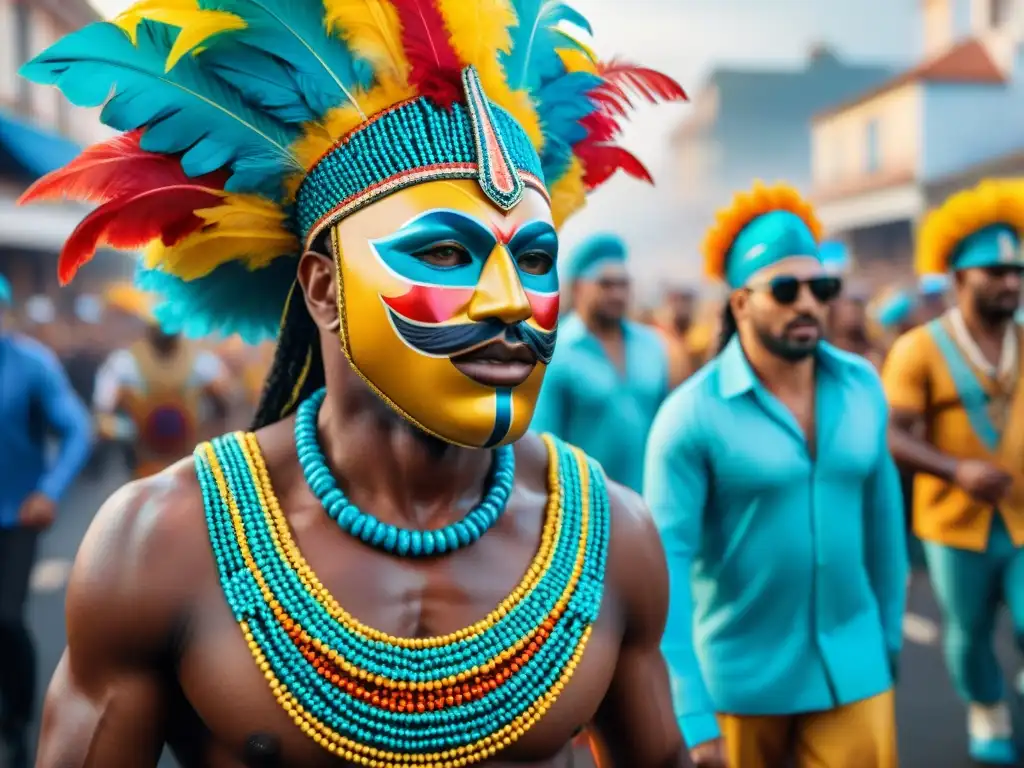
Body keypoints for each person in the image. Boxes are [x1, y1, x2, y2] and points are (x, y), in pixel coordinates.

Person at [20, 1, 691, 766]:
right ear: (324, 288)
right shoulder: (162, 542)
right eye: (444, 253)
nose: (510, 300)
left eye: (534, 260)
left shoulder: (612, 538)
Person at [646, 182, 907, 768]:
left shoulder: (864, 385)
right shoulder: (690, 416)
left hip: (854, 668)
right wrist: (690, 709)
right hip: (737, 687)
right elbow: (667, 568)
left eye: (822, 288)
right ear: (740, 303)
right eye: (785, 290)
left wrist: (887, 639)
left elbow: (885, 522)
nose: (808, 304)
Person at [883, 180, 1024, 765]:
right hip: (952, 522)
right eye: (995, 272)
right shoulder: (918, 349)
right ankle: (986, 709)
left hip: (1021, 518)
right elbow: (890, 433)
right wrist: (952, 469)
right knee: (966, 634)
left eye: (1017, 271)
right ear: (959, 278)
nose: (1011, 282)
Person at [0, 273, 92, 768]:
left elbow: (76, 429)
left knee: (8, 619)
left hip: (17, 514)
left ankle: (16, 717)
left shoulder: (31, 364)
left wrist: (49, 490)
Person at [532, 234, 670, 493]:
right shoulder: (555, 352)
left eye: (623, 284)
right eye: (605, 284)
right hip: (583, 509)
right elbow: (542, 445)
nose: (617, 294)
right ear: (578, 287)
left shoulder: (652, 346)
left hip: (646, 501)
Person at [92, 283, 230, 479]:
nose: (165, 332)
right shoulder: (123, 364)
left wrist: (206, 440)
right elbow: (103, 416)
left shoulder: (203, 363)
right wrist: (132, 430)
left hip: (189, 465)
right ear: (148, 327)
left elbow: (223, 409)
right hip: (144, 466)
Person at [654, 284, 699, 388]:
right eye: (677, 300)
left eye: (687, 300)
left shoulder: (699, 340)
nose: (682, 306)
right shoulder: (656, 339)